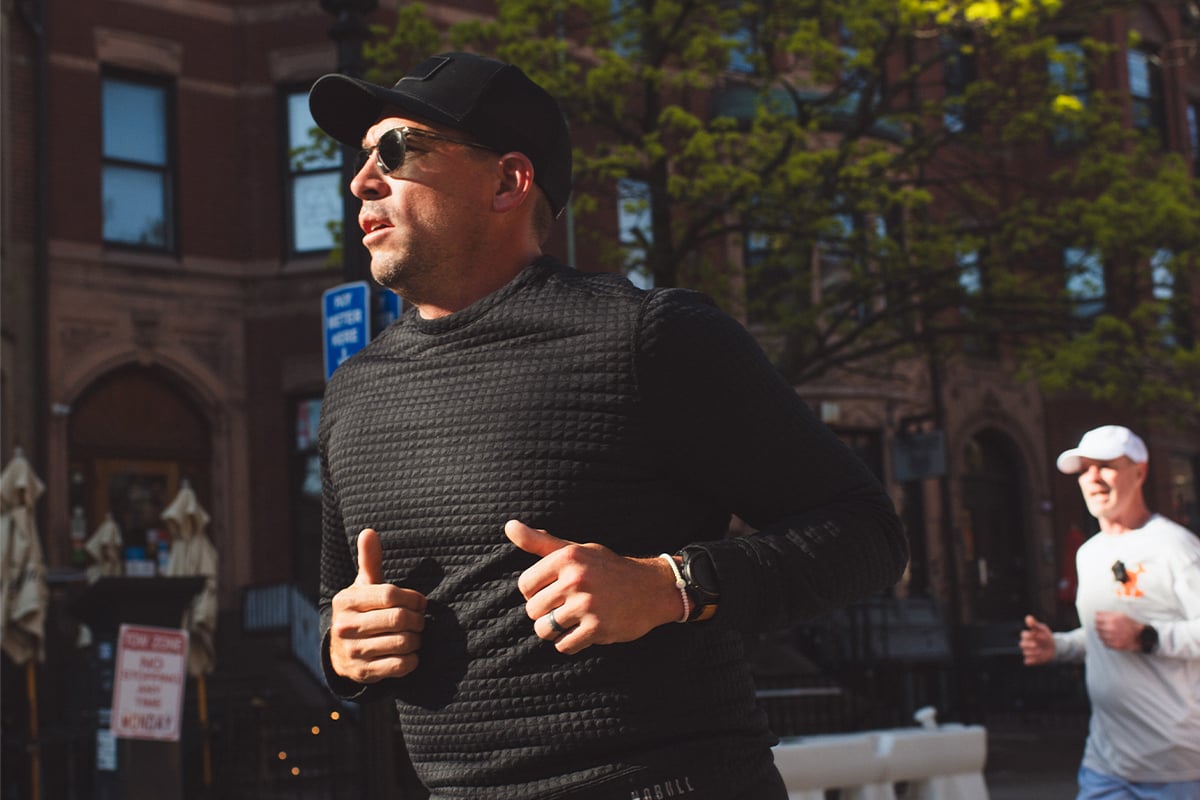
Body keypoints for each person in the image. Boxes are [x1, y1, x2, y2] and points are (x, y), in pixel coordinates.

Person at [309, 51, 909, 800]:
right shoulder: (354, 391)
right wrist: (345, 647)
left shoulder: (649, 337)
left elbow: (868, 533)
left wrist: (671, 585)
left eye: (398, 151)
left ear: (507, 181)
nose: (363, 180)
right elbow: (338, 609)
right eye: (363, 157)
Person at [1020, 425, 1200, 799]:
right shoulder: (1090, 554)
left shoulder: (1175, 547)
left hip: (1175, 768)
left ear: (1140, 471)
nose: (1093, 479)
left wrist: (1146, 636)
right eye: (1084, 469)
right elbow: (1101, 635)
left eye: (1106, 466)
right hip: (1106, 765)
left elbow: (1136, 632)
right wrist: (1060, 646)